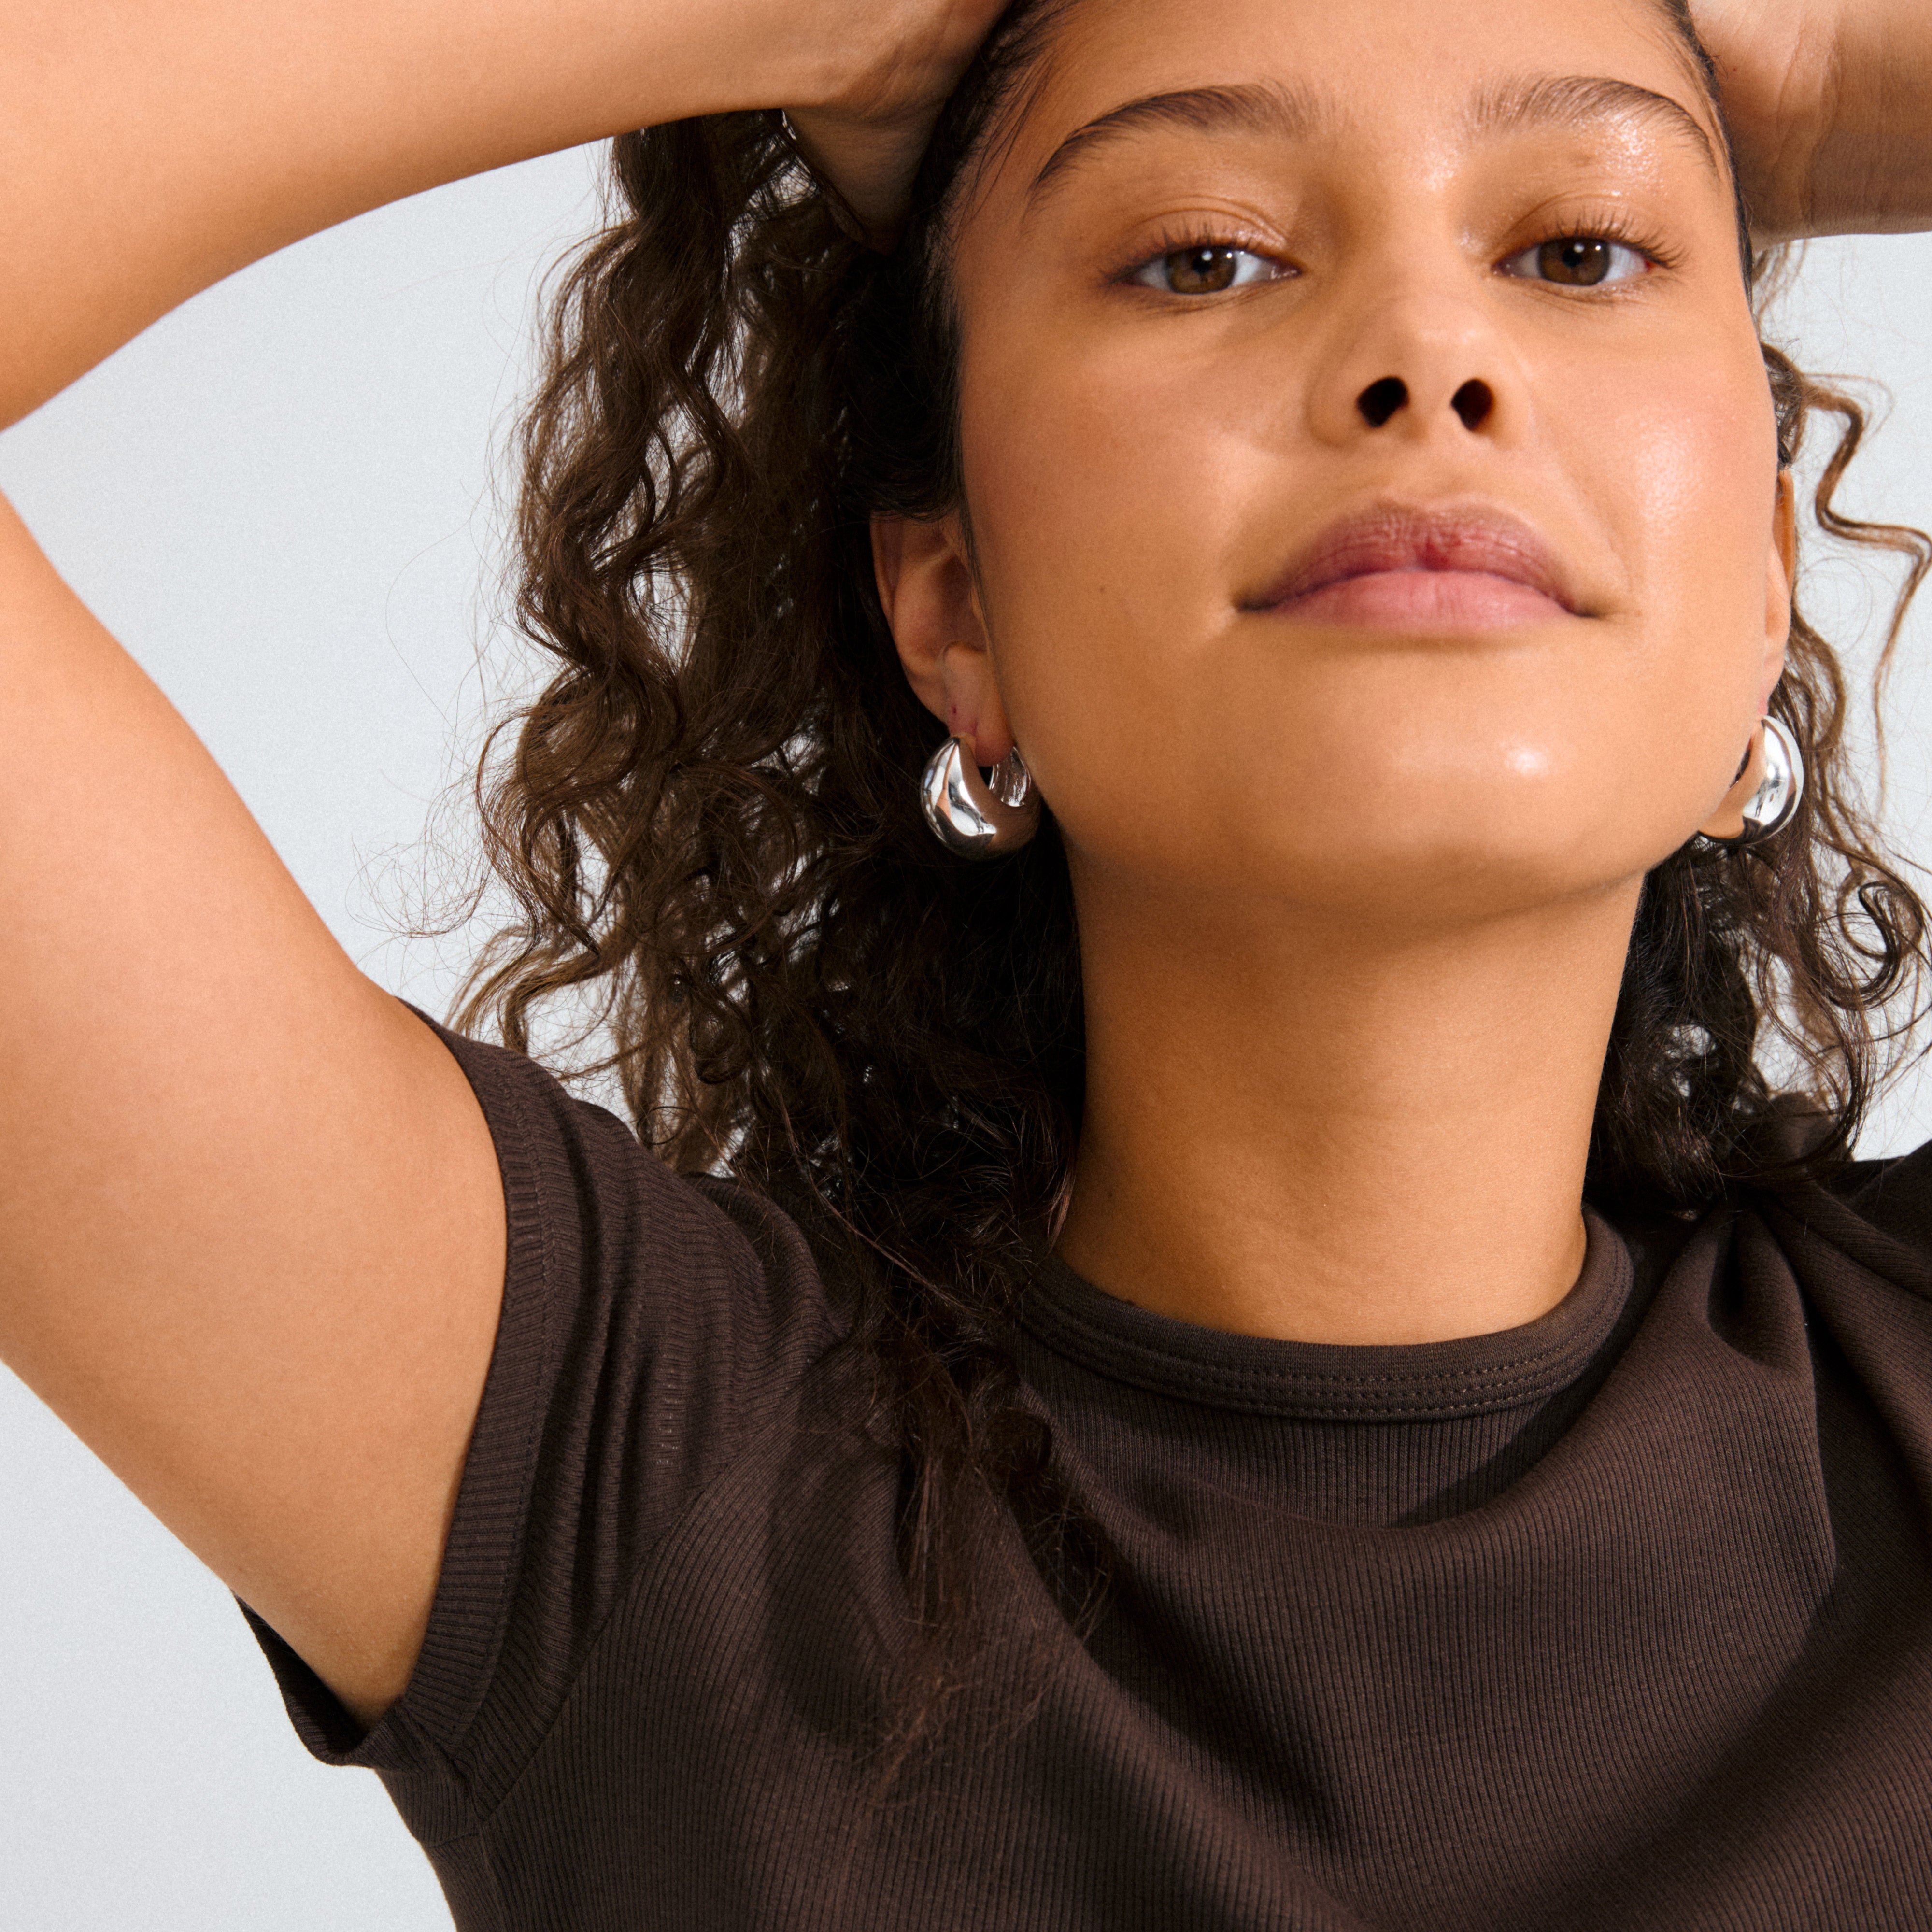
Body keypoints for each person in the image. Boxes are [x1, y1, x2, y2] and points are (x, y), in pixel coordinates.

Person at [3, 0, 1932, 1924]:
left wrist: (1849, 69)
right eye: (1203, 256)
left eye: (1578, 248)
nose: (1428, 353)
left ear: (1765, 585)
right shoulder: (634, 1480)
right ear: (955, 611)